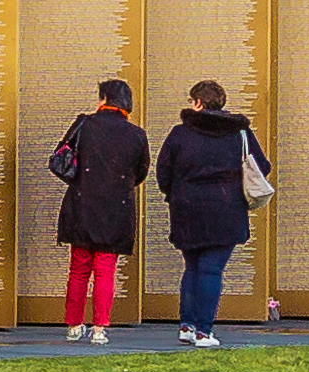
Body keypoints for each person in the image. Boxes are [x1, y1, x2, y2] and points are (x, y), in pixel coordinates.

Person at [153, 75, 268, 348]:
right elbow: (261, 166)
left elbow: (163, 171)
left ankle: (186, 326)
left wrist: (176, 194)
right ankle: (204, 332)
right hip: (226, 208)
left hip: (187, 207)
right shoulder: (240, 134)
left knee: (192, 267)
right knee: (211, 270)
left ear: (197, 102)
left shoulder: (179, 133)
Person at [45, 75, 150, 342]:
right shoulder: (137, 135)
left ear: (104, 99)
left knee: (79, 267)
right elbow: (141, 172)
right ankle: (100, 327)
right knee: (106, 268)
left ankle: (73, 325)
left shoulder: (84, 125)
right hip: (117, 208)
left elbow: (62, 156)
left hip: (82, 203)